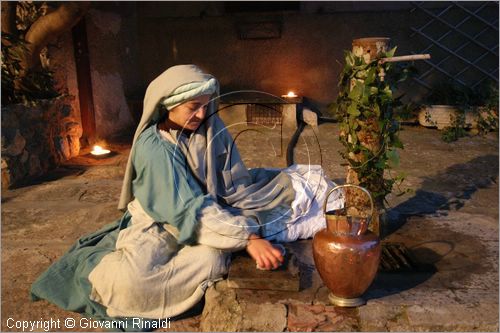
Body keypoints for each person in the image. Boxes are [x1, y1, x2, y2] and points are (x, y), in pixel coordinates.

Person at [30, 64, 342, 322]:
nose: (201, 114)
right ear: (169, 104)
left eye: (207, 105)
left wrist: (240, 214)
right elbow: (186, 209)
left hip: (211, 207)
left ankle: (223, 236)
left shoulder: (209, 125)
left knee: (279, 203)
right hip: (165, 220)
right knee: (130, 283)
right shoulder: (154, 148)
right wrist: (249, 237)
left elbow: (235, 181)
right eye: (193, 107)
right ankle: (93, 274)